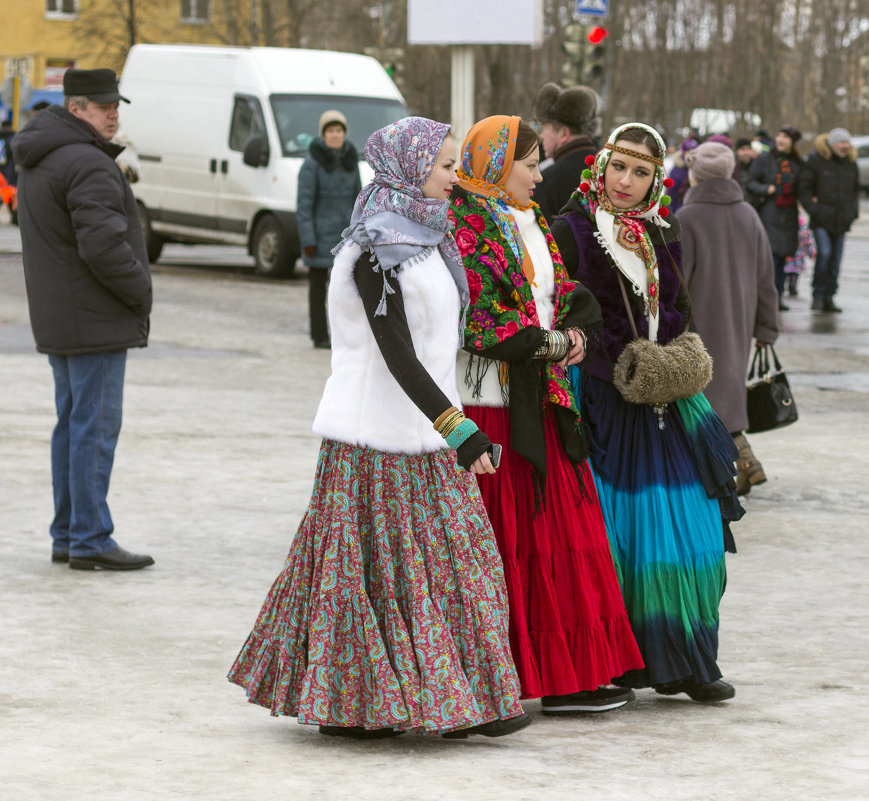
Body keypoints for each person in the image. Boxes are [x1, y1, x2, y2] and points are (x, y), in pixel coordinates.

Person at [228, 117, 529, 740]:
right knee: (372, 571)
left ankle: (462, 700)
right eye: (445, 165)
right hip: (375, 438)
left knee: (457, 564)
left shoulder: (430, 236)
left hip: (428, 432)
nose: (454, 176)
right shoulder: (374, 247)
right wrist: (462, 430)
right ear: (411, 167)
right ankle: (357, 705)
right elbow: (397, 354)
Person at [449, 115, 644, 715]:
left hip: (546, 395)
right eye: (529, 164)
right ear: (495, 166)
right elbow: (477, 320)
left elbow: (563, 291)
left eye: (537, 163)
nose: (540, 175)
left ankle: (567, 675)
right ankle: (498, 671)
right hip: (493, 404)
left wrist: (573, 330)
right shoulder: (464, 225)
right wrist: (556, 342)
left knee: (559, 530)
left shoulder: (528, 221)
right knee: (511, 535)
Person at [551, 122, 744, 703]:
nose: (627, 182)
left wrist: (674, 357)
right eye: (619, 167)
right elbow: (562, 312)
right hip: (605, 396)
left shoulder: (664, 231)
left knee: (696, 535)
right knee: (623, 537)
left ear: (657, 178)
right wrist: (618, 361)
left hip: (670, 398)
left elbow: (679, 308)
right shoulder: (572, 229)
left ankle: (688, 658)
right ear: (601, 165)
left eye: (641, 172)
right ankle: (627, 661)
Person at [11, 68, 154, 570]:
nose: (112, 112)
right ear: (76, 110)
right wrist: (140, 293)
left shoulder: (41, 156)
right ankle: (89, 538)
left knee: (73, 426)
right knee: (91, 429)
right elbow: (103, 246)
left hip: (63, 317)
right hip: (95, 319)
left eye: (116, 104)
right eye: (101, 106)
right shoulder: (88, 164)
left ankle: (69, 533)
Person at [676, 141, 779, 496]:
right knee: (726, 392)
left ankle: (732, 468)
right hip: (740, 319)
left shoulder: (686, 219)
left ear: (694, 175)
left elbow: (677, 283)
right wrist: (766, 326)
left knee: (702, 398)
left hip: (699, 324)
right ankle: (742, 463)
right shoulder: (748, 214)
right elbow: (767, 276)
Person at [297, 109, 362, 349]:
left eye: (339, 131)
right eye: (330, 131)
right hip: (319, 236)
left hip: (344, 235)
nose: (335, 135)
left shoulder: (350, 161)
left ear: (344, 133)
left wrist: (359, 231)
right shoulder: (312, 164)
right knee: (317, 288)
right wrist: (308, 239)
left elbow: (358, 198)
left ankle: (344, 335)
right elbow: (304, 205)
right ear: (323, 134)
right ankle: (319, 335)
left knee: (346, 290)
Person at [797, 127, 860, 313]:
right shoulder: (816, 162)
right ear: (832, 144)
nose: (845, 146)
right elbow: (804, 189)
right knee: (824, 254)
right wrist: (814, 210)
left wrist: (852, 213)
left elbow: (855, 192)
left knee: (835, 260)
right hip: (822, 220)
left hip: (842, 220)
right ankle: (817, 295)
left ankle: (829, 297)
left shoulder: (851, 164)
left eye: (847, 142)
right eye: (841, 142)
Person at [747, 125, 802, 311]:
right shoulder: (764, 159)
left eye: (786, 137)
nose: (781, 139)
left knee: (782, 257)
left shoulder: (797, 162)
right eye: (779, 135)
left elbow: (803, 185)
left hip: (788, 214)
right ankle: (765, 298)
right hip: (769, 211)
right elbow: (750, 181)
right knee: (769, 257)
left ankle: (778, 296)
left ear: (792, 142)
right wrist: (766, 189)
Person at [532, 82, 601, 221]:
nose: (541, 136)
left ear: (564, 134)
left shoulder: (547, 180)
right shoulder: (609, 169)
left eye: (545, 128)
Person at [784, 216, 816, 298]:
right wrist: (812, 253)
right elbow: (809, 243)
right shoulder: (804, 230)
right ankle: (792, 287)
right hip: (798, 257)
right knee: (794, 274)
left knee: (787, 273)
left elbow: (809, 242)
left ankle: (787, 287)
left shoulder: (789, 227)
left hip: (790, 256)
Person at [665, 138, 697, 214]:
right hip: (679, 211)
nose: (691, 153)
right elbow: (671, 195)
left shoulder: (700, 169)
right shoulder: (676, 170)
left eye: (694, 151)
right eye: (688, 151)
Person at [734, 137, 761, 207]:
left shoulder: (757, 165)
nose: (746, 152)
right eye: (742, 149)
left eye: (748, 149)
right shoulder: (733, 169)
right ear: (737, 151)